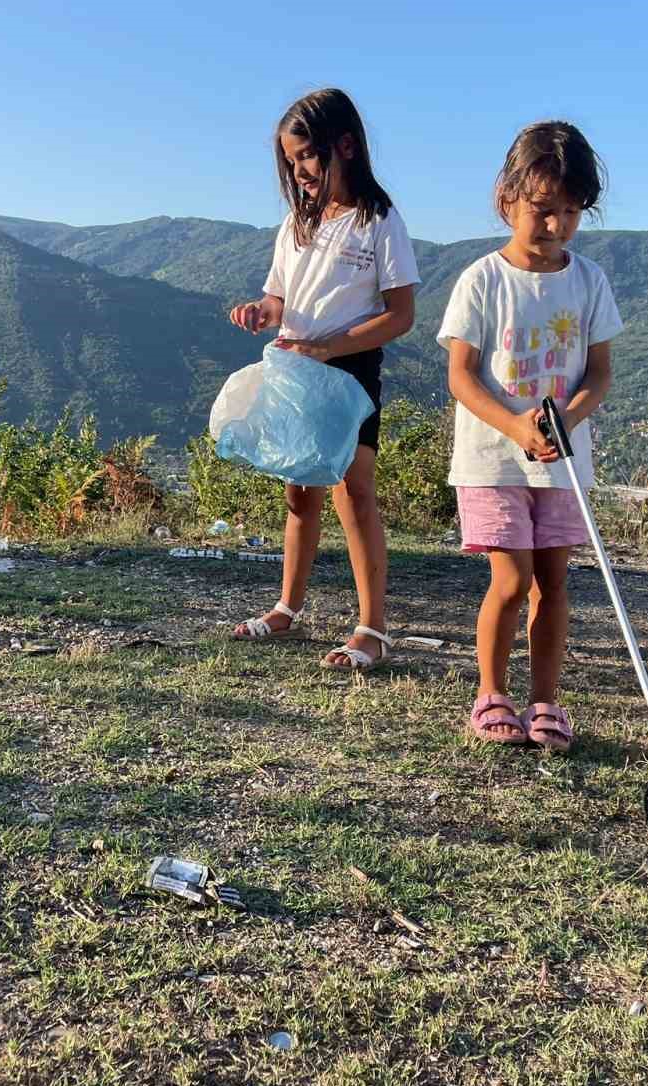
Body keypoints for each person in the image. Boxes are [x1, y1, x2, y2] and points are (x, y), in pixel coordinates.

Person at [436, 121, 622, 749]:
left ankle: (546, 702)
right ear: (507, 200)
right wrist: (516, 424)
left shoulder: (589, 280)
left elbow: (598, 375)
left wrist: (565, 421)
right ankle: (492, 693)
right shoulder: (482, 280)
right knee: (510, 581)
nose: (557, 225)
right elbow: (461, 377)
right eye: (543, 210)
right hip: (492, 459)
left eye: (572, 212)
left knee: (554, 584)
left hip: (562, 462)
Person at [227, 88, 419, 670]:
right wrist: (262, 312)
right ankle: (288, 607)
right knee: (298, 491)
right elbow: (279, 296)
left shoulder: (380, 222)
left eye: (308, 155)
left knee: (354, 493)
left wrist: (330, 347)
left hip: (350, 369)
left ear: (346, 145)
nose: (300, 170)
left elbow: (401, 314)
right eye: (291, 161)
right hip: (294, 365)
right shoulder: (295, 224)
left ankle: (372, 628)